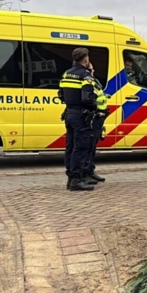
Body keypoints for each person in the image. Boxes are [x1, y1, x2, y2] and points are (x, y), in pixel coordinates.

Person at [59, 48, 105, 191]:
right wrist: (95, 107)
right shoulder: (86, 77)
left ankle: (71, 177)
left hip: (69, 114)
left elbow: (60, 94)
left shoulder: (66, 74)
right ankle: (76, 180)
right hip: (81, 116)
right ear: (85, 60)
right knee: (81, 147)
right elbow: (87, 99)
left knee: (71, 147)